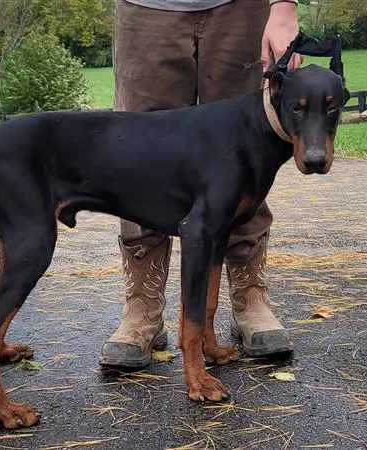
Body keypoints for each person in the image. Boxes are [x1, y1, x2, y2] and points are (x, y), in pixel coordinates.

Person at [99, 0, 302, 369]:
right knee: (139, 154)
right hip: (147, 7)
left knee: (246, 151)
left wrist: (283, 6)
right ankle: (143, 305)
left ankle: (249, 295)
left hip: (242, 8)